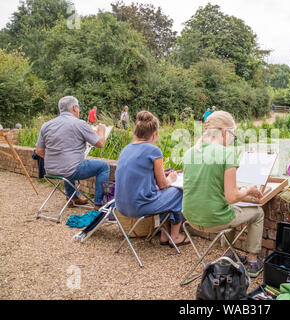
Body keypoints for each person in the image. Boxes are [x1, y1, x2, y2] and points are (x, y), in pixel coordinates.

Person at [182, 110, 265, 278]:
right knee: (258, 213)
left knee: (227, 208)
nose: (233, 140)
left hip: (190, 218)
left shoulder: (190, 152)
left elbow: (208, 182)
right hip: (213, 220)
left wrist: (236, 188)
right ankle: (253, 261)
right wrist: (248, 190)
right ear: (224, 132)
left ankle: (228, 254)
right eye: (233, 135)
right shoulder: (227, 153)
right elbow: (231, 197)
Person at [114, 110, 188, 246]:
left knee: (162, 194)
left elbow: (140, 175)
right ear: (154, 135)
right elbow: (163, 185)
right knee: (180, 192)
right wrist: (171, 178)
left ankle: (165, 235)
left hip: (120, 206)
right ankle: (175, 236)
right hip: (138, 207)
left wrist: (162, 174)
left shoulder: (126, 149)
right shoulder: (154, 151)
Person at [35, 96, 110, 211]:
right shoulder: (79, 124)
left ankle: (72, 199)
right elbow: (100, 143)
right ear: (75, 108)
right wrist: (101, 131)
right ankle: (98, 204)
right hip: (70, 170)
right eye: (78, 108)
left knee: (68, 165)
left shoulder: (46, 125)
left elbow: (39, 151)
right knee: (104, 167)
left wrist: (57, 159)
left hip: (50, 170)